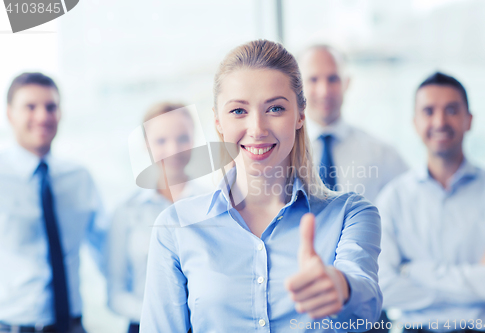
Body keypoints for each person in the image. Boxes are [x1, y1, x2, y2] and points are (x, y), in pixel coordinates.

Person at [140, 40, 382, 332]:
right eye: (239, 111)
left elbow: (367, 308)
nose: (257, 129)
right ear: (218, 122)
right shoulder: (176, 227)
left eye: (275, 108)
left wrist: (340, 288)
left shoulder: (350, 215)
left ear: (300, 115)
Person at [378, 72, 485, 332]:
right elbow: (383, 288)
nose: (440, 121)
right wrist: (473, 283)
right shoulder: (393, 198)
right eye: (429, 111)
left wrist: (413, 272)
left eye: (452, 110)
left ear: (469, 120)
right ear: (414, 122)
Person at [0, 73, 108, 333]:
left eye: (51, 107)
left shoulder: (79, 178)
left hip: (72, 326)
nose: (42, 116)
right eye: (30, 107)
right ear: (9, 114)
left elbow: (106, 248)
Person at [106, 102, 209, 333]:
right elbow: (115, 293)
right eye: (161, 141)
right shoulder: (126, 211)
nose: (173, 148)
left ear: (193, 140)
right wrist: (162, 316)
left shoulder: (214, 204)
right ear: (146, 144)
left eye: (182, 138)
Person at [300, 45, 408, 203]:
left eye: (333, 79)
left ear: (347, 83)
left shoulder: (381, 154)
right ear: (298, 86)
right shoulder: (281, 154)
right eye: (313, 79)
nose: (324, 91)